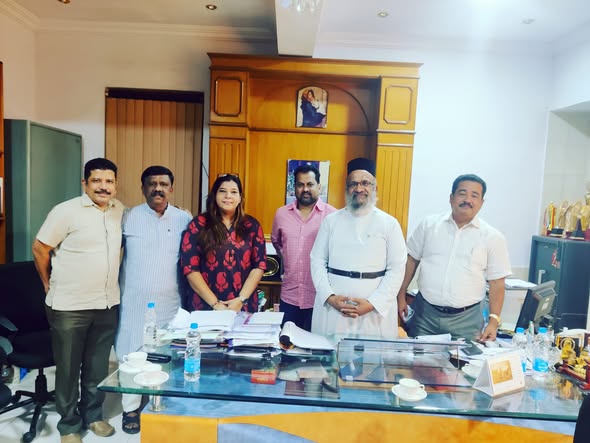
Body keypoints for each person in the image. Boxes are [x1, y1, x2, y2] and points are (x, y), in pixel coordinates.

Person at [32, 158, 124, 443]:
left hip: (106, 304)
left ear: (115, 185)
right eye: (97, 180)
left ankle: (93, 416)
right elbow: (40, 248)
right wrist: (47, 282)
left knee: (97, 368)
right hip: (70, 307)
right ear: (85, 183)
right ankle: (69, 425)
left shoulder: (119, 210)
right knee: (69, 370)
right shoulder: (66, 211)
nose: (103, 187)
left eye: (109, 181)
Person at [115, 165, 192, 434]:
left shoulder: (184, 219)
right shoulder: (128, 217)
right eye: (152, 184)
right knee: (130, 355)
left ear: (171, 188)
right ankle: (130, 408)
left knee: (166, 356)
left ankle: (161, 404)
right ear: (143, 188)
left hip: (171, 304)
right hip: (133, 303)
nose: (158, 188)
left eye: (163, 184)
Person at [397, 174, 511, 342]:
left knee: (463, 359)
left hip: (467, 321)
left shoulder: (493, 237)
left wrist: (494, 321)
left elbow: (497, 283)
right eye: (462, 193)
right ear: (451, 198)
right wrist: (400, 296)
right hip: (424, 315)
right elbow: (411, 260)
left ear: (481, 202)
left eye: (474, 195)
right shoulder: (429, 225)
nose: (467, 200)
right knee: (417, 356)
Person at [310, 157, 407, 340]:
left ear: (375, 188)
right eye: (353, 184)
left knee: (373, 356)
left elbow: (397, 268)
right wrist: (330, 297)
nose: (359, 188)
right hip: (334, 309)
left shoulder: (389, 224)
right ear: (347, 189)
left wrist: (372, 303)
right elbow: (317, 261)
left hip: (374, 311)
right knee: (330, 354)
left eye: (365, 183)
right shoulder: (331, 222)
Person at [180, 174, 266, 312]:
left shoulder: (252, 226)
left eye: (233, 192)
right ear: (214, 195)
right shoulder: (198, 225)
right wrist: (215, 304)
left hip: (242, 306)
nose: (228, 196)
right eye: (222, 191)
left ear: (240, 198)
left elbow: (259, 266)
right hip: (205, 306)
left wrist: (241, 299)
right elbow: (190, 268)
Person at [271, 164, 337, 330]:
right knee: (287, 342)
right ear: (294, 188)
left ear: (319, 187)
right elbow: (277, 243)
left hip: (321, 298)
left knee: (318, 344)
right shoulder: (281, 214)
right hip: (289, 297)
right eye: (300, 184)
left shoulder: (333, 216)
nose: (305, 189)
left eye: (310, 184)